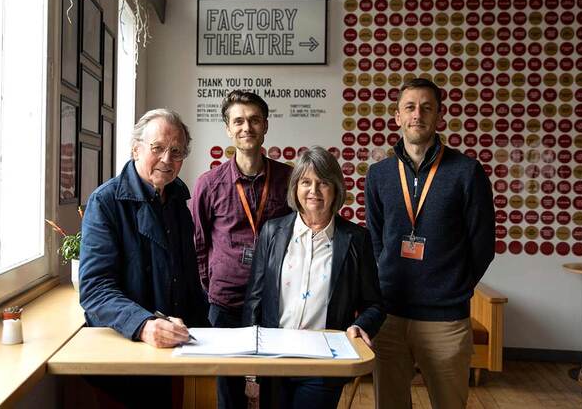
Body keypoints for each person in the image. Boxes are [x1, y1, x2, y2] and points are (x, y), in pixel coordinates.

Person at [364, 78, 495, 409]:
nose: (417, 115)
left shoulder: (467, 172)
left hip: (445, 319)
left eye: (426, 107)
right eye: (410, 107)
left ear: (439, 117)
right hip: (390, 315)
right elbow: (377, 238)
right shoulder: (378, 175)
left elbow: (482, 244)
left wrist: (454, 287)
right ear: (397, 116)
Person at [79, 109, 208, 407]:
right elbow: (95, 290)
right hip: (124, 349)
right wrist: (143, 325)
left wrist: (211, 335)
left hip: (172, 352)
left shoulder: (176, 200)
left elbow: (187, 279)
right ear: (135, 148)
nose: (167, 159)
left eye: (176, 151)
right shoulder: (106, 201)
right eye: (158, 148)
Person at [243, 146, 384, 409]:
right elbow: (254, 301)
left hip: (324, 363)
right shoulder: (272, 232)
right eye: (306, 182)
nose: (314, 191)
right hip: (274, 360)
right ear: (295, 187)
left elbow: (374, 304)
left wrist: (361, 325)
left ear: (336, 189)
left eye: (323, 183)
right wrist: (251, 370)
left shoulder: (356, 240)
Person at [190, 90, 292, 408]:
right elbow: (198, 242)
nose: (246, 127)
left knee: (275, 386)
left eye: (253, 120)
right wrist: (209, 289)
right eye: (238, 121)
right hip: (225, 303)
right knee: (229, 391)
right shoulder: (209, 183)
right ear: (228, 128)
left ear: (265, 125)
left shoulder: (289, 179)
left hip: (276, 300)